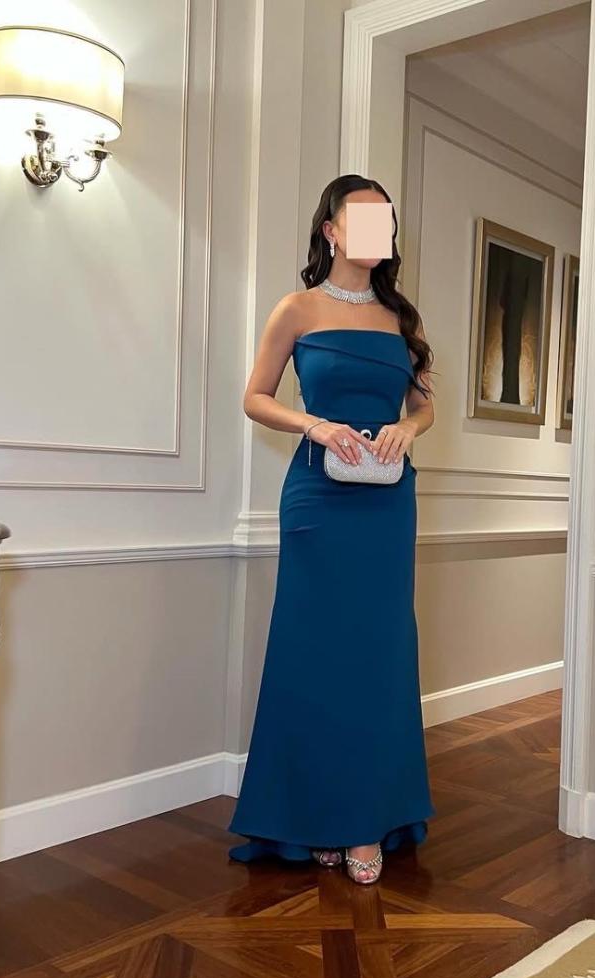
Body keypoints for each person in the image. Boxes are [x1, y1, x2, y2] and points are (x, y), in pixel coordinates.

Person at [227, 174, 437, 885]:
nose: (381, 230)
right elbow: (255, 397)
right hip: (318, 495)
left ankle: (367, 819)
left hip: (387, 501)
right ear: (332, 230)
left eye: (388, 220)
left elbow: (424, 406)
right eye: (365, 217)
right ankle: (314, 815)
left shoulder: (402, 319)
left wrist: (408, 429)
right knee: (312, 652)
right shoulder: (297, 308)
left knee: (379, 654)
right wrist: (313, 423)